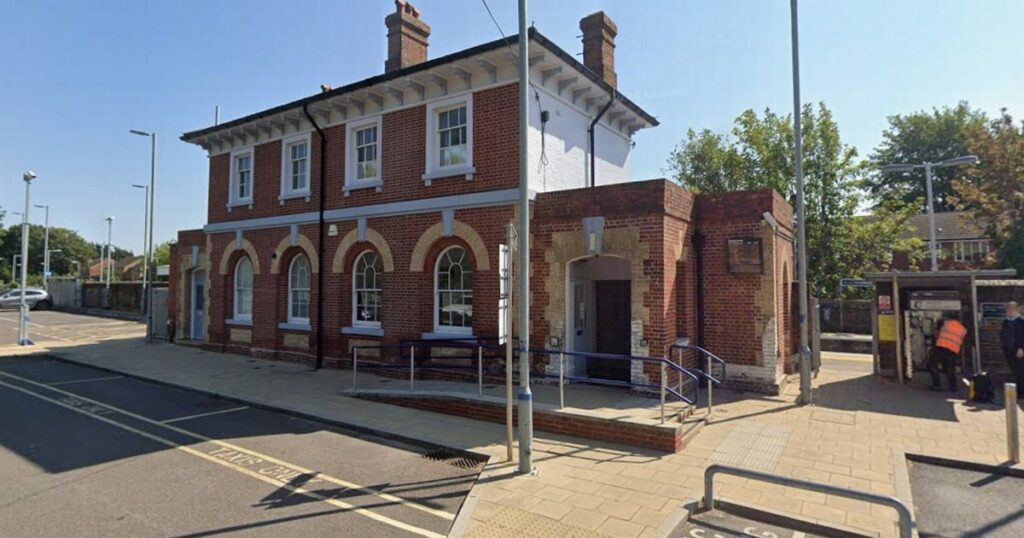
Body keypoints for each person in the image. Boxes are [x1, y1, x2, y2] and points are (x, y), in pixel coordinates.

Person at [929, 313, 968, 392]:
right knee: (950, 368)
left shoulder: (946, 323)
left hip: (941, 347)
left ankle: (937, 384)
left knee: (931, 365)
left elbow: (936, 333)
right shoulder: (963, 329)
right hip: (953, 350)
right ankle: (953, 386)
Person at [1000, 301, 1024, 396]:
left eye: (1011, 309)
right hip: (1009, 349)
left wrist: (1021, 348)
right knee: (1014, 370)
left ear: (1016, 309)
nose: (1009, 311)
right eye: (1007, 309)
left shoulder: (1021, 321)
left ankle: (1021, 392)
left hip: (1018, 349)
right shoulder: (1006, 321)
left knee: (1020, 370)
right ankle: (1018, 389)